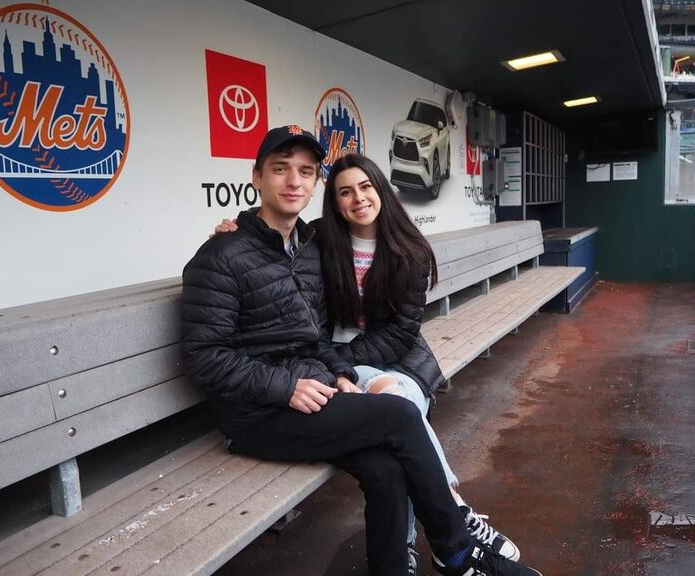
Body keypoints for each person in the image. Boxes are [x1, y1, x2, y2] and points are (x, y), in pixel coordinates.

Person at [180, 125, 542, 576]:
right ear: (256, 178)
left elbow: (312, 337)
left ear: (314, 185)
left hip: (312, 392)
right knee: (400, 415)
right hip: (255, 415)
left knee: (387, 472)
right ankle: (458, 553)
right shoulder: (221, 255)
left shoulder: (307, 251)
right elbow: (203, 356)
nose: (294, 181)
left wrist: (340, 374)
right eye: (280, 169)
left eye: (305, 172)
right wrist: (286, 386)